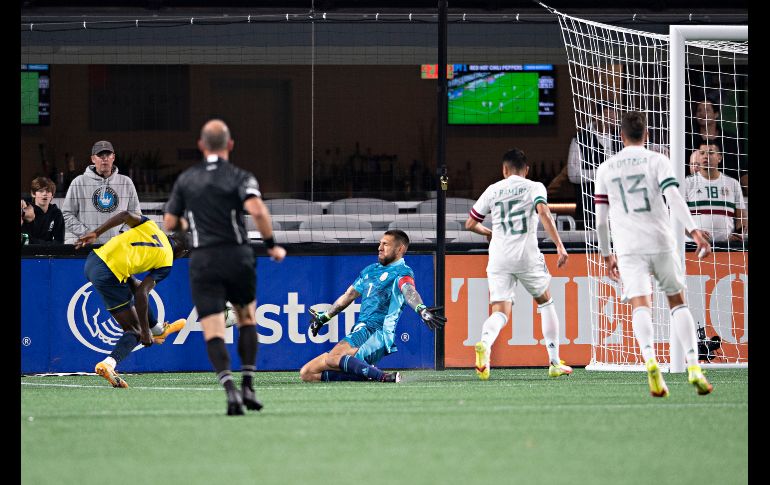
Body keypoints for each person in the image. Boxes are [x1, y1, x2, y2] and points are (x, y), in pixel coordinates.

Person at [163, 119, 287, 416]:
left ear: (201, 146)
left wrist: (187, 223)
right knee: (246, 319)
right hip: (237, 256)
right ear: (230, 145)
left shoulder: (187, 179)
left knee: (213, 330)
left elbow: (170, 223)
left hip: (204, 259)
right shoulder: (241, 176)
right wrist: (272, 245)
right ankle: (248, 384)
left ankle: (229, 390)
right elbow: (257, 210)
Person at [595, 111, 714, 397]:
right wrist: (694, 231)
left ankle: (650, 359)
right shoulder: (657, 160)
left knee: (640, 305)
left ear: (621, 136)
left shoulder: (607, 168)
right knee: (677, 303)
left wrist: (605, 253)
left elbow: (600, 220)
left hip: (629, 247)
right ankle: (694, 365)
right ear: (646, 135)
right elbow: (674, 198)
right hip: (661, 241)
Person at [465, 148, 573, 380]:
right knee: (545, 302)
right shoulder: (534, 186)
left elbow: (470, 223)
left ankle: (485, 343)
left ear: (504, 170)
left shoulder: (493, 189)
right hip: (526, 255)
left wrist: (490, 232)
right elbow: (543, 211)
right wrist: (559, 245)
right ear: (527, 170)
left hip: (499, 256)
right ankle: (554, 362)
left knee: (500, 312)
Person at [299, 229, 445, 383]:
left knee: (334, 358)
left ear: (400, 249)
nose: (380, 248)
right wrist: (324, 317)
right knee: (307, 373)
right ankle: (369, 374)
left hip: (377, 332)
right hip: (361, 330)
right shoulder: (370, 270)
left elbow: (409, 291)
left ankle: (382, 376)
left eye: (385, 244)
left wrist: (421, 309)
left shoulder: (402, 272)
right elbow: (348, 296)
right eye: (380, 244)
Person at [74, 210, 188, 388]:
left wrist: (96, 233)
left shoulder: (150, 225)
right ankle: (109, 364)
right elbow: (143, 294)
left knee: (133, 282)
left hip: (93, 260)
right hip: (108, 275)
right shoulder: (167, 262)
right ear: (183, 252)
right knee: (133, 330)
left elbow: (125, 214)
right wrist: (144, 331)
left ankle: (158, 329)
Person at [62, 140, 141, 244]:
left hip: (118, 246)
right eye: (100, 155)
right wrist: (86, 234)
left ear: (113, 157)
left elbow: (136, 214)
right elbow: (67, 214)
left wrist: (123, 233)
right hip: (89, 246)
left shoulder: (126, 182)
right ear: (93, 159)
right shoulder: (79, 182)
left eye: (108, 154)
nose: (105, 158)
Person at [566, 103, 621, 229]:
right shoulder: (580, 139)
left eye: (614, 116)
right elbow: (573, 175)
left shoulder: (621, 138)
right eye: (609, 116)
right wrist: (602, 172)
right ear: (596, 116)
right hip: (589, 210)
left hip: (617, 210)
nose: (613, 119)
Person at [685, 142, 747, 243]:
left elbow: (741, 216)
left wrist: (739, 233)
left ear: (719, 157)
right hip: (693, 246)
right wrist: (694, 232)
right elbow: (677, 217)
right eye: (702, 153)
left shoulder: (733, 183)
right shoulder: (687, 183)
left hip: (725, 247)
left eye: (710, 153)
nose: (705, 156)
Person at [686, 94, 748, 194]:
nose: (702, 114)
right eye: (699, 110)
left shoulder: (730, 140)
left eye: (707, 110)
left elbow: (743, 171)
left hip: (728, 192)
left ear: (716, 114)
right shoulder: (688, 140)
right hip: (697, 192)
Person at [20, 177, 65, 244]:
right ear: (33, 194)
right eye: (41, 191)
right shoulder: (24, 209)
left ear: (52, 196)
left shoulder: (56, 213)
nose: (44, 194)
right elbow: (23, 241)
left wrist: (32, 242)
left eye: (48, 191)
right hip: (27, 253)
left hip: (47, 253)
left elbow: (59, 242)